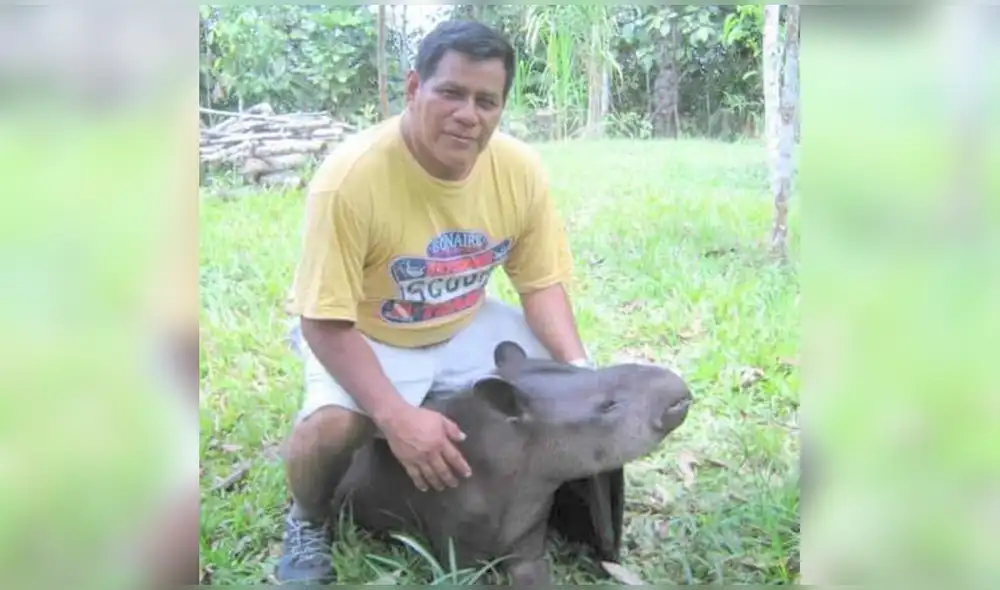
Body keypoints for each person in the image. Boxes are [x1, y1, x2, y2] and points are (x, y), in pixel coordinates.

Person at [275, 19, 593, 585]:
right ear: (413, 88)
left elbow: (540, 284)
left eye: (485, 100)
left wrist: (580, 375)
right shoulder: (351, 179)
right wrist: (395, 416)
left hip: (463, 321)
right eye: (451, 92)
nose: (468, 114)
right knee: (330, 430)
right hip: (367, 330)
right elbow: (323, 321)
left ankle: (546, 498)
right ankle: (307, 520)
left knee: (560, 385)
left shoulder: (519, 171)